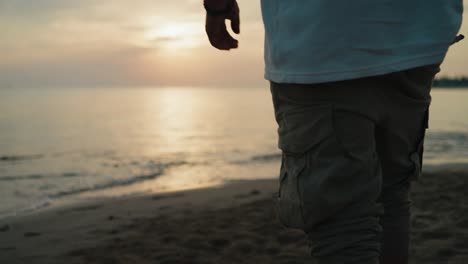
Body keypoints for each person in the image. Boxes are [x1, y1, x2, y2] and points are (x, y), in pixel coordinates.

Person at [203, 0, 463, 263]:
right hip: (420, 34)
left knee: (341, 223)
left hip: (322, 37)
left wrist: (217, 7)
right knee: (390, 195)